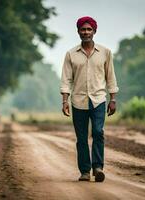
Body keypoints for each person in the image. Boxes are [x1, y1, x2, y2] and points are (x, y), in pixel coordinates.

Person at [60, 16, 119, 182]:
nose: (86, 32)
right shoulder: (71, 54)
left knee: (98, 132)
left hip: (99, 99)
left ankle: (98, 167)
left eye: (89, 29)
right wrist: (65, 101)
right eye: (83, 29)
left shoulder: (105, 53)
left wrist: (113, 99)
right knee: (81, 138)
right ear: (78, 32)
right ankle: (85, 171)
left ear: (94, 31)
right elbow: (66, 80)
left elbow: (111, 77)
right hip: (78, 101)